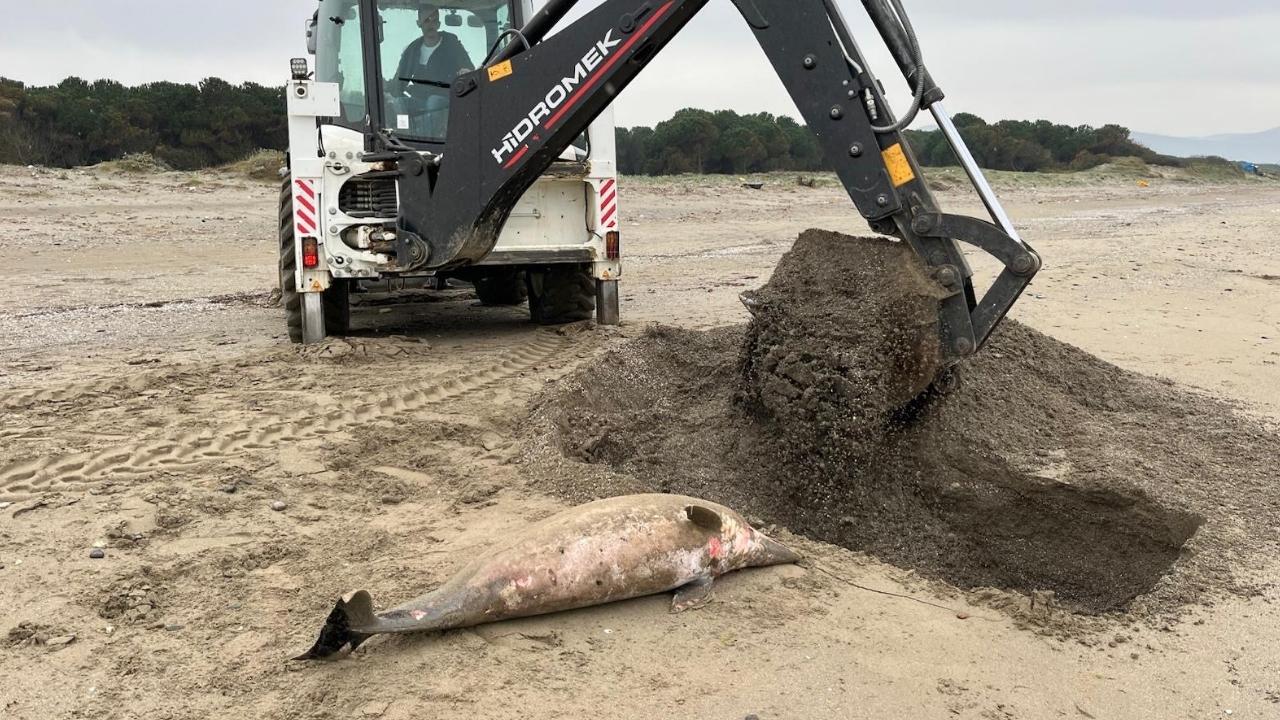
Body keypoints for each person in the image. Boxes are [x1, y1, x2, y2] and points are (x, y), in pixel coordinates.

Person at [388, 5, 475, 135]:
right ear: (419, 24)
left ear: (439, 23)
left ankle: (427, 139)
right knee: (400, 103)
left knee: (434, 101)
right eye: (427, 21)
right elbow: (399, 82)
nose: (431, 25)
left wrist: (465, 71)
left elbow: (468, 69)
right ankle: (404, 133)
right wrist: (387, 88)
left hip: (445, 99)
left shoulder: (451, 44)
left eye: (434, 21)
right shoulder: (413, 50)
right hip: (419, 99)